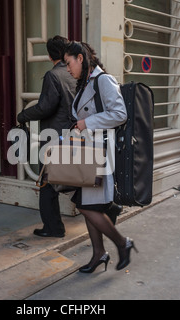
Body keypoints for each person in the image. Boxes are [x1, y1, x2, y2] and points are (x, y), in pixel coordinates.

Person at [63, 41, 138, 273]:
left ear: (80, 58)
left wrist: (87, 123)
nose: (67, 68)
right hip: (86, 153)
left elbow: (119, 114)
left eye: (68, 63)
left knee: (87, 206)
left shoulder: (103, 80)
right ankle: (99, 253)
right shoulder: (85, 84)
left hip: (99, 153)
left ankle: (121, 243)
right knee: (86, 204)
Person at [17, 35, 76, 238]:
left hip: (54, 138)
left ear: (50, 55)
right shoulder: (73, 74)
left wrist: (22, 116)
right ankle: (107, 208)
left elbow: (44, 108)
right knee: (77, 179)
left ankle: (53, 227)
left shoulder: (53, 75)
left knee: (47, 184)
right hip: (74, 135)